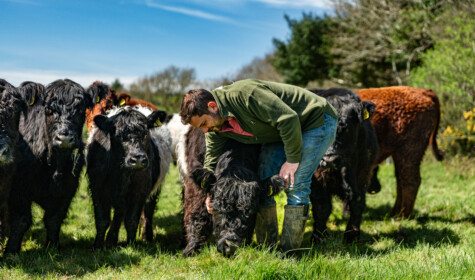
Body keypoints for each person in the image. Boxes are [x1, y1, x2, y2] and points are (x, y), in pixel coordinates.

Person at [179, 79, 338, 252]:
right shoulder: (215, 126)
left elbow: (288, 118)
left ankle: (290, 252)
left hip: (315, 121)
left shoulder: (246, 95)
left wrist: (292, 161)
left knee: (296, 181)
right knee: (262, 178)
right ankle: (266, 248)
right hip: (280, 131)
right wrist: (211, 192)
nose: (204, 130)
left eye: (203, 124)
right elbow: (211, 157)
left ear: (212, 106)